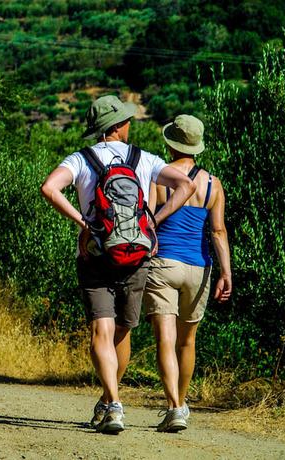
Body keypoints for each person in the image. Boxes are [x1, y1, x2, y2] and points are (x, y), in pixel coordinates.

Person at [40, 95, 196, 433]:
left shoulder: (80, 159)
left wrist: (83, 222)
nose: (130, 124)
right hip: (137, 257)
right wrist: (154, 220)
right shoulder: (144, 158)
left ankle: (113, 405)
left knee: (102, 329)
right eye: (127, 120)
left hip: (97, 254)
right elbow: (186, 185)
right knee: (121, 330)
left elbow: (49, 188)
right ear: (118, 126)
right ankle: (110, 398)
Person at [143, 115, 232, 432]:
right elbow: (218, 232)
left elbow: (149, 219)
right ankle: (180, 404)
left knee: (165, 338)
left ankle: (174, 408)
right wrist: (226, 274)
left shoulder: (159, 178)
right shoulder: (213, 183)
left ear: (170, 143)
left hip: (163, 262)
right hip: (200, 267)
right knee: (187, 340)